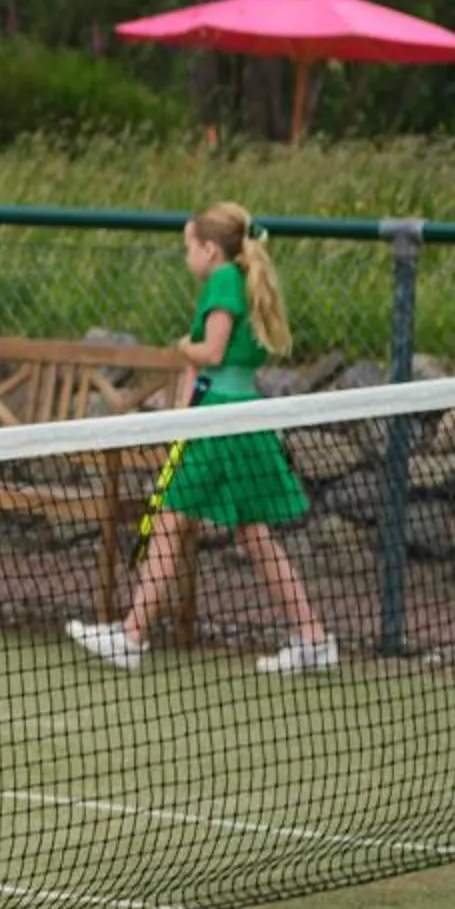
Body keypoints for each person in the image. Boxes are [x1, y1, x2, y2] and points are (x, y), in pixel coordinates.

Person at [67, 200, 335, 676]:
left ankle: (130, 636)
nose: (186, 254)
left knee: (171, 520)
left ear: (209, 249)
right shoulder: (238, 278)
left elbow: (210, 351)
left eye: (189, 245)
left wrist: (181, 347)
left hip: (222, 423)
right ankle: (312, 636)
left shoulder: (224, 281)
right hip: (233, 418)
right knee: (252, 533)